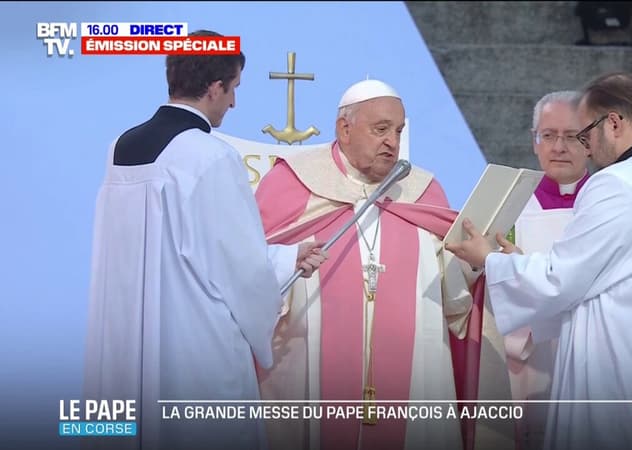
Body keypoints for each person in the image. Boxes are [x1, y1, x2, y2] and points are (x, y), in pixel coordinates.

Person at [446, 73, 632, 450]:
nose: (586, 146)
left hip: (622, 377)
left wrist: (491, 260)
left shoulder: (618, 183)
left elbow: (559, 281)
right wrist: (520, 265)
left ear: (613, 123)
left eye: (585, 135)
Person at [84, 29, 326, 450]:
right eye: (233, 89)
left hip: (124, 347)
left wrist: (285, 258)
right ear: (215, 88)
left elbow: (170, 250)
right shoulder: (209, 156)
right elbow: (240, 268)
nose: (234, 101)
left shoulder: (118, 148)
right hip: (192, 356)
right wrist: (280, 268)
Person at [253, 79, 512, 450]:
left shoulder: (423, 191)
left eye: (398, 130)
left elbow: (453, 296)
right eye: (380, 129)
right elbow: (250, 272)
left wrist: (474, 265)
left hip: (413, 376)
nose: (393, 141)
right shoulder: (293, 183)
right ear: (344, 129)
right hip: (306, 367)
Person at [505, 91, 590, 450]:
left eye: (571, 136)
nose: (559, 147)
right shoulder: (510, 203)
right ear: (534, 141)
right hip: (527, 357)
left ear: (592, 140)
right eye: (548, 135)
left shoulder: (611, 204)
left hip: (591, 350)